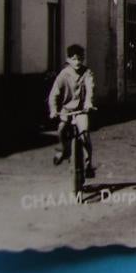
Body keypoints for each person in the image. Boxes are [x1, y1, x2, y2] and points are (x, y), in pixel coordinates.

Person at [48, 43, 96, 178]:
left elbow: (90, 88)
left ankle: (88, 165)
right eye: (74, 59)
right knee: (61, 129)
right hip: (66, 110)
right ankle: (64, 150)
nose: (77, 62)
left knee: (85, 134)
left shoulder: (87, 72)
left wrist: (88, 102)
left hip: (81, 110)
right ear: (68, 59)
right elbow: (54, 94)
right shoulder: (63, 75)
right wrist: (53, 110)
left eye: (80, 59)